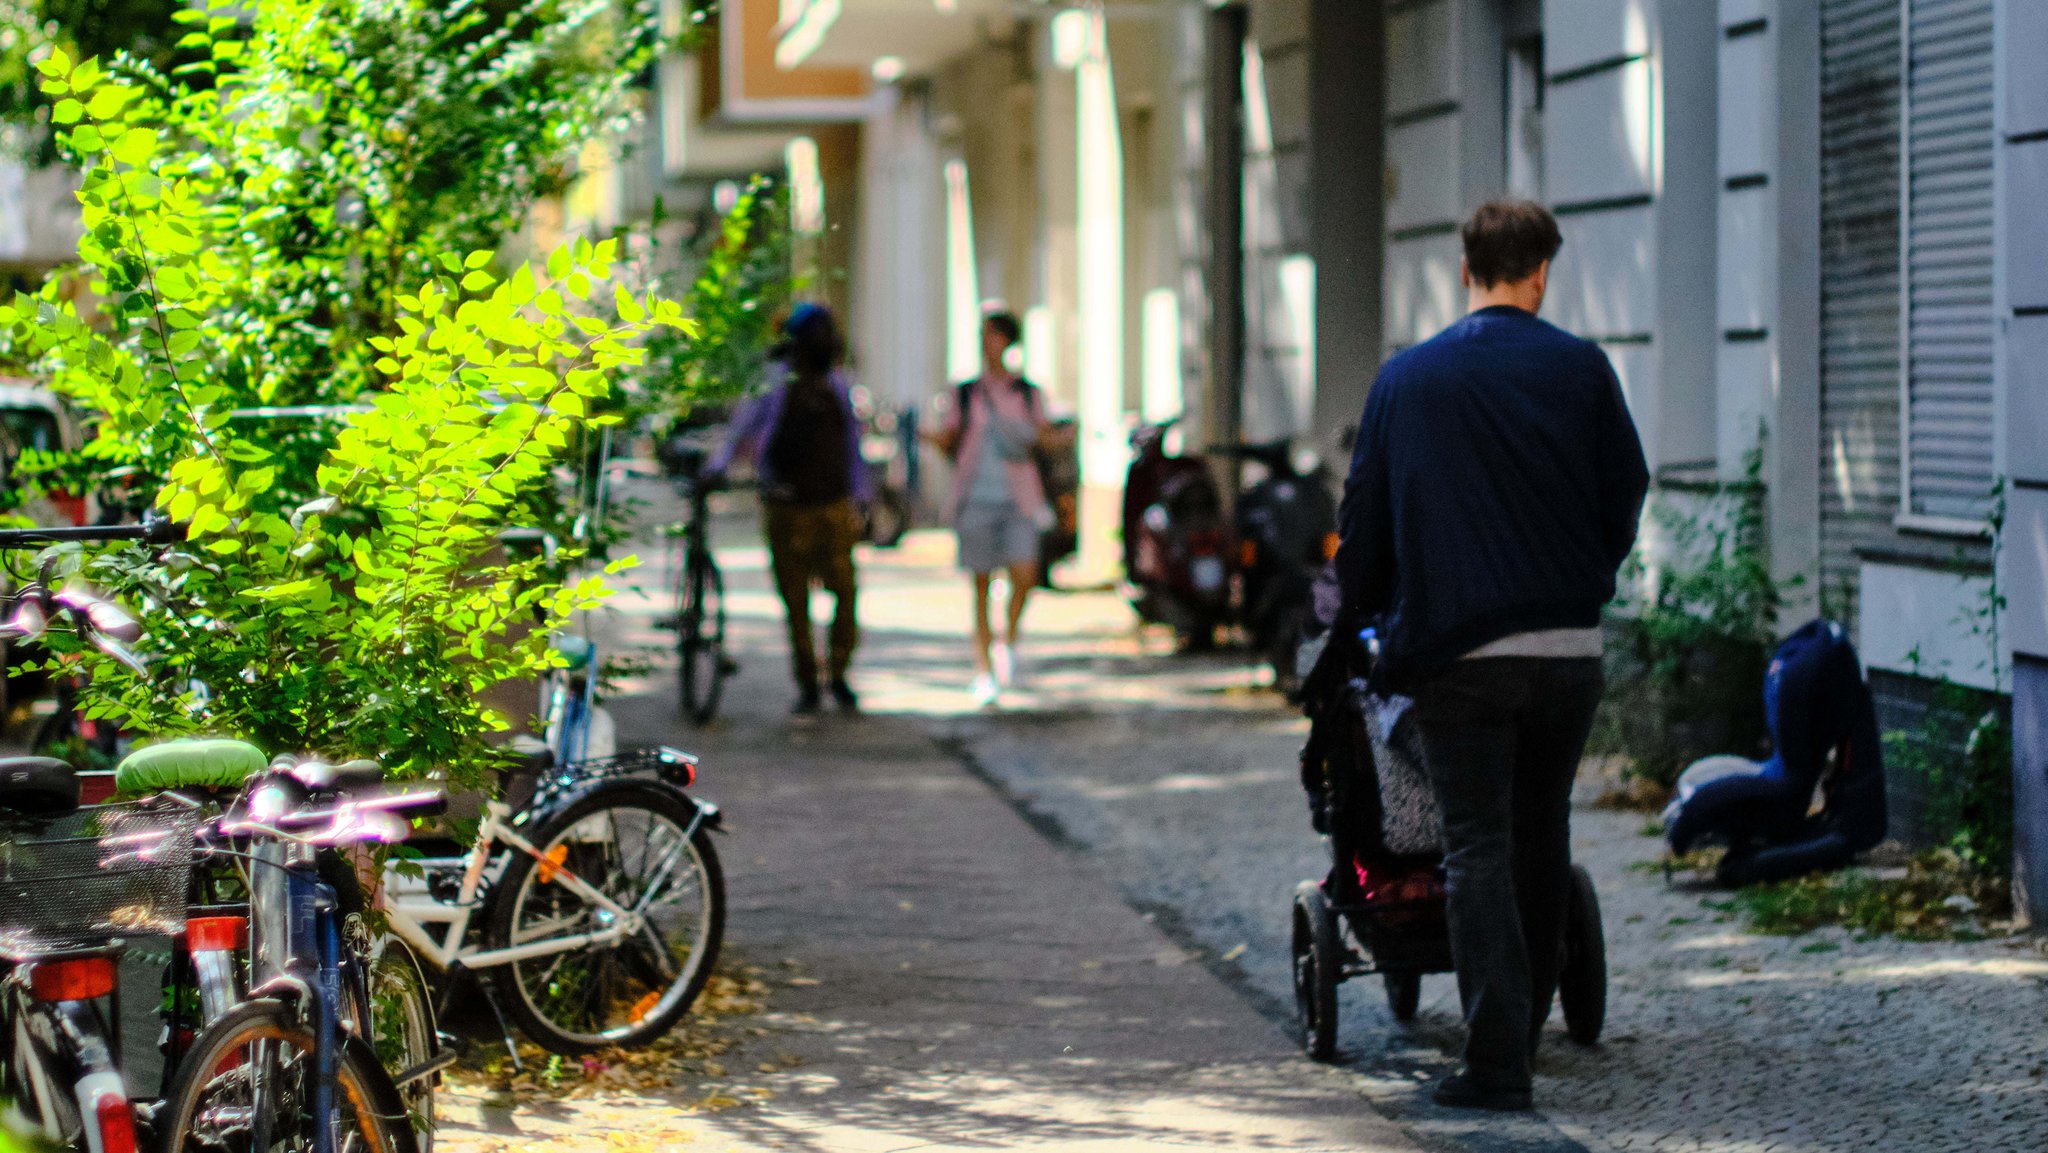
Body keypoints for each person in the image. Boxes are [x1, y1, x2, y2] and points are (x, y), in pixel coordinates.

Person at [1334, 200, 1649, 1111]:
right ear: (1540, 273)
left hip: (1459, 655)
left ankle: (1497, 1059)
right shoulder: (1583, 369)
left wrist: (1365, 612)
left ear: (1465, 269)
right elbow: (1624, 488)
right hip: (1567, 650)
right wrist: (1588, 568)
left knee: (1474, 843)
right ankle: (1534, 1018)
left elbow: (1364, 523)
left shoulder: (1408, 380)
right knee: (1540, 827)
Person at [707, 303, 872, 716]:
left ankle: (831, 675)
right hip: (794, 505)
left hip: (823, 505)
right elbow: (743, 430)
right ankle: (814, 681)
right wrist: (718, 467)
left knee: (835, 595)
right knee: (803, 600)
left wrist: (861, 495)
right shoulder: (785, 384)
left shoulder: (832, 383)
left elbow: (851, 446)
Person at [928, 312, 1053, 706]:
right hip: (976, 499)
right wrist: (932, 437)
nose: (987, 342)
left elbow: (1042, 436)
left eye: (994, 335)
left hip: (1019, 498)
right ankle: (984, 671)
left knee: (1024, 574)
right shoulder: (965, 392)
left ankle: (1008, 642)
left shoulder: (1026, 392)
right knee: (980, 586)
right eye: (983, 335)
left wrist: (1060, 437)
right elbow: (951, 438)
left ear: (1008, 341)